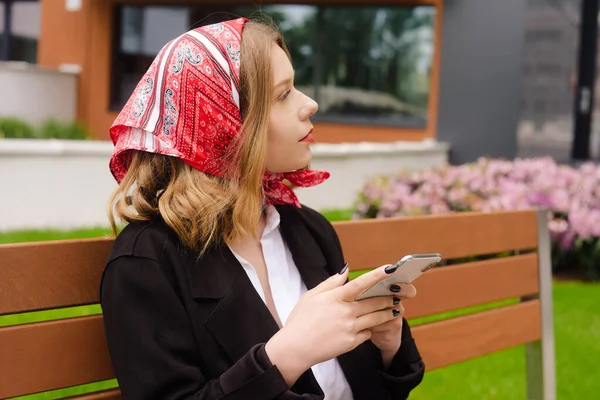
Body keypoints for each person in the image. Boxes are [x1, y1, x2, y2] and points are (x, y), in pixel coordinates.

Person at [100, 17, 425, 400]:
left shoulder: (307, 229)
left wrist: (387, 345)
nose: (311, 104)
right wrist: (287, 354)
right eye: (284, 94)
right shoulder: (146, 263)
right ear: (221, 124)